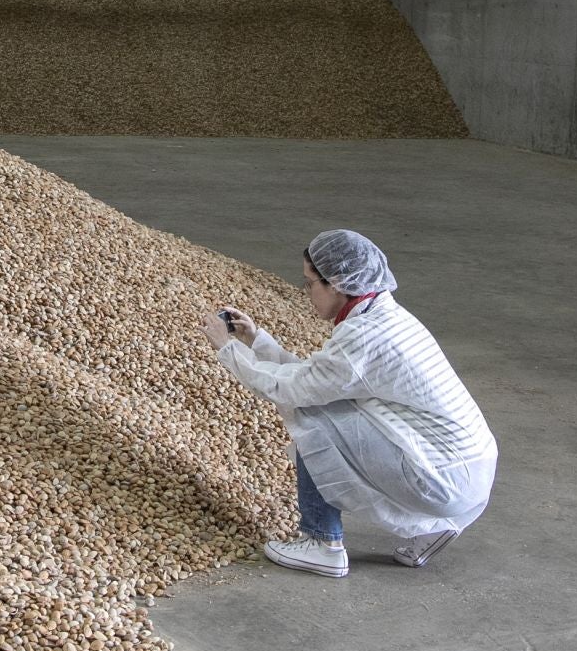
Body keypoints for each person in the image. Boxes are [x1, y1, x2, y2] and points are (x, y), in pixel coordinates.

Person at [202, 229, 497, 578]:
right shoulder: (383, 315)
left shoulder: (362, 338)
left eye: (311, 283)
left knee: (311, 413)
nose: (305, 291)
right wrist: (256, 340)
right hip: (466, 472)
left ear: (338, 284)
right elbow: (320, 376)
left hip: (438, 479)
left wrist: (228, 349)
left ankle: (322, 544)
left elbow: (294, 390)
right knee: (324, 403)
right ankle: (431, 529)